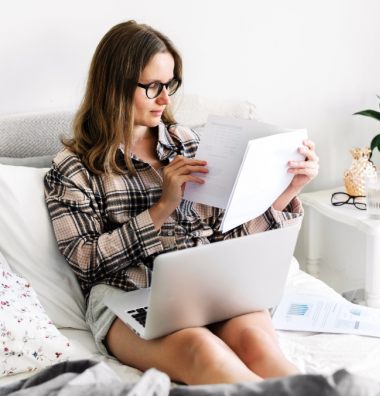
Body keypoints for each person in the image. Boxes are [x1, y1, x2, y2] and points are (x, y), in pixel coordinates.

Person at [44, 20, 319, 385]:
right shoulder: (74, 167)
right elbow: (86, 263)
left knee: (259, 346)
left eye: (169, 84)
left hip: (209, 286)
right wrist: (162, 208)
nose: (165, 99)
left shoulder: (188, 142)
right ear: (114, 86)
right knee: (203, 352)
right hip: (128, 296)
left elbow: (227, 235)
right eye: (153, 87)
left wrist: (289, 191)